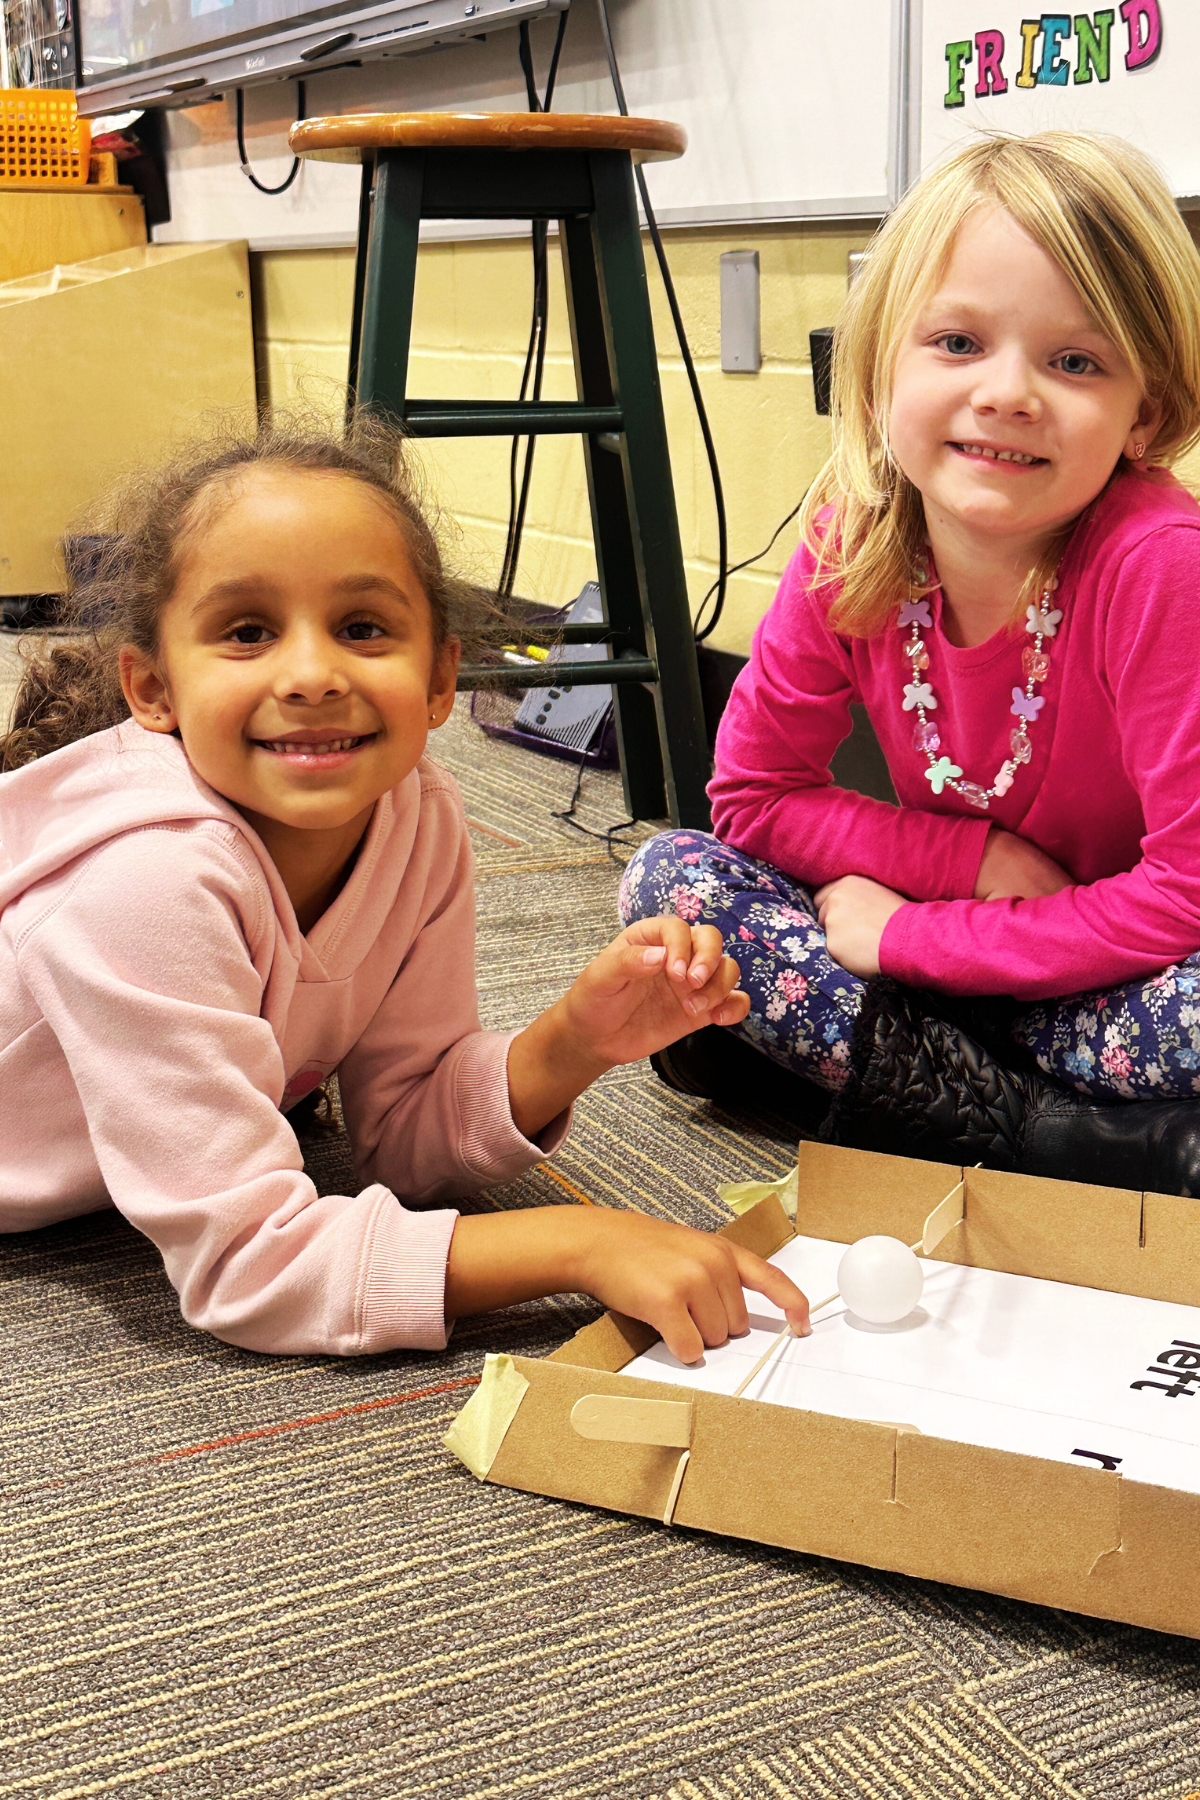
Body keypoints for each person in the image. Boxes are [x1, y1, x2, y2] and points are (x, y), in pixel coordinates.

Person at [0, 421, 810, 1361]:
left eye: (362, 629)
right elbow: (251, 1270)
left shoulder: (419, 813)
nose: (310, 676)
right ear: (153, 688)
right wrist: (584, 1242)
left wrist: (571, 1043)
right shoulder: (145, 880)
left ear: (439, 680)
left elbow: (400, 1142)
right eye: (247, 632)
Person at [621, 131, 1200, 1192]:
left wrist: (914, 944)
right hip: (956, 949)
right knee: (670, 886)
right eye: (957, 342)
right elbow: (751, 800)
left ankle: (877, 1081)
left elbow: (1185, 897)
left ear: (1143, 417)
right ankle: (1055, 1134)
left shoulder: (1161, 565)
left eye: (1076, 362)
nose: (1008, 393)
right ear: (879, 373)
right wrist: (969, 868)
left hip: (1113, 964)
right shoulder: (851, 538)